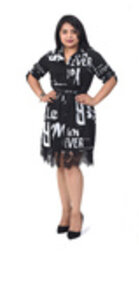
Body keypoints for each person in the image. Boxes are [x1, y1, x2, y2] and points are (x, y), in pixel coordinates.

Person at [27, 15, 117, 240]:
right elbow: (31, 75)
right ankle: (65, 211)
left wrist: (95, 99)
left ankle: (77, 213)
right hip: (55, 115)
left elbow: (111, 78)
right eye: (65, 31)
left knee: (71, 162)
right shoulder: (52, 56)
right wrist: (41, 94)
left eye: (73, 32)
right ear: (59, 34)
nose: (69, 36)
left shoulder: (90, 56)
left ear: (80, 34)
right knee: (60, 163)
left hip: (79, 115)